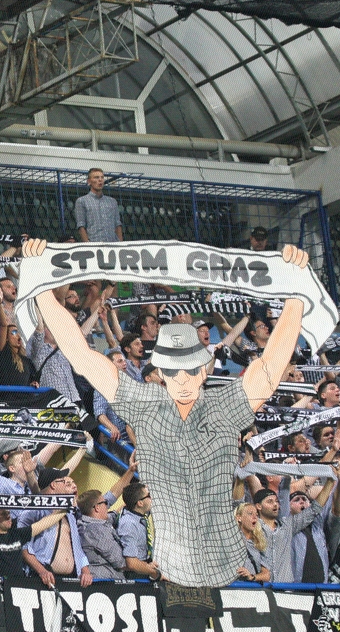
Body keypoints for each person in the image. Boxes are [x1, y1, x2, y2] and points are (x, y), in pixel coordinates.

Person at [25, 238, 313, 587]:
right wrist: (41, 286)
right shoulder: (147, 405)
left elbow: (269, 367)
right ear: (159, 372)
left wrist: (296, 297)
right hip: (167, 565)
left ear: (205, 370)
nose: (183, 380)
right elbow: (80, 353)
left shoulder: (223, 407)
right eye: (173, 371)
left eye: (191, 369)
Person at [18, 467, 93, 587]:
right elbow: (23, 546)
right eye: (64, 482)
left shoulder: (69, 514)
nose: (68, 486)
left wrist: (85, 571)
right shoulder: (33, 511)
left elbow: (77, 548)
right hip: (43, 579)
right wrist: (42, 571)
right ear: (53, 484)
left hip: (73, 579)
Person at [74, 168, 122, 243]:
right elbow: (81, 226)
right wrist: (88, 244)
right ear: (89, 181)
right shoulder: (82, 201)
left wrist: (120, 244)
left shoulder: (112, 202)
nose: (100, 180)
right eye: (96, 177)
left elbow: (117, 225)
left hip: (112, 245)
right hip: (94, 245)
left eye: (102, 177)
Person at [235, 503, 270, 582]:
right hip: (234, 587)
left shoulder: (259, 542)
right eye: (250, 514)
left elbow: (267, 575)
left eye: (256, 514)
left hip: (252, 588)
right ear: (239, 518)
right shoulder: (232, 539)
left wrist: (252, 577)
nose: (255, 517)